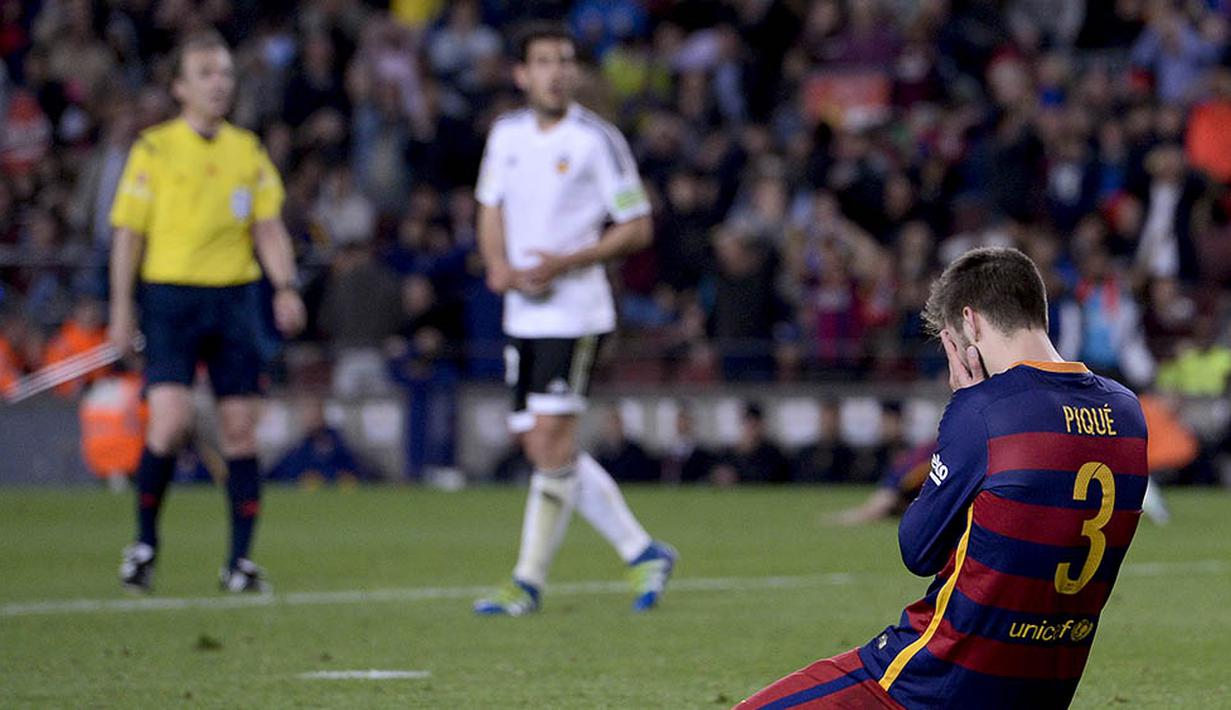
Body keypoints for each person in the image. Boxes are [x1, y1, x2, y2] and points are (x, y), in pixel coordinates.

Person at [738, 247, 1148, 709]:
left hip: (931, 684)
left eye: (951, 339)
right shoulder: (1128, 414)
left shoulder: (986, 409)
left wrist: (962, 406)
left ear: (970, 323)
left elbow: (918, 548)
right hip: (1041, 691)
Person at [472, 22, 676, 616]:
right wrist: (496, 266)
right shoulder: (506, 135)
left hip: (575, 310)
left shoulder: (598, 140)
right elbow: (490, 207)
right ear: (522, 74)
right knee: (540, 445)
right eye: (543, 61)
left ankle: (525, 582)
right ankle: (642, 551)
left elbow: (636, 226)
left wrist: (569, 261)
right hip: (521, 311)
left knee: (553, 441)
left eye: (564, 61)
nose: (556, 71)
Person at [108, 31, 306, 594]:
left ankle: (239, 564)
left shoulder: (248, 150)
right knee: (169, 424)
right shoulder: (154, 149)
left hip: (234, 298)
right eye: (205, 74)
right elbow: (128, 234)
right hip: (170, 298)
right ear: (179, 87)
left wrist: (285, 287)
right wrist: (121, 309)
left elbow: (267, 227)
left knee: (240, 432)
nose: (219, 83)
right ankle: (145, 544)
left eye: (223, 73)